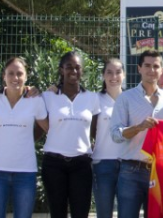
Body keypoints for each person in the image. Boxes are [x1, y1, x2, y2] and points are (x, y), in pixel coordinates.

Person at [111, 49, 163, 218]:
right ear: (139, 68)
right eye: (147, 66)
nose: (152, 70)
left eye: (156, 66)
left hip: (159, 172)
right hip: (130, 172)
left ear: (162, 70)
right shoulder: (125, 98)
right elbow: (116, 135)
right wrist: (139, 127)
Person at [0, 57, 48, 218]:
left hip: (25, 172)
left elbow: (48, 128)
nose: (15, 78)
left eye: (20, 73)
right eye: (10, 73)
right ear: (4, 76)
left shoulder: (36, 100)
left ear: (26, 77)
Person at [41, 51, 101, 218]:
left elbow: (95, 131)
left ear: (82, 71)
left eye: (77, 68)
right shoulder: (48, 96)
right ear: (61, 70)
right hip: (54, 164)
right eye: (69, 67)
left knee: (80, 213)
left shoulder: (92, 98)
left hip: (81, 164)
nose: (73, 72)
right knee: (57, 213)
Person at [92, 59, 126, 218]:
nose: (114, 76)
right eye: (109, 72)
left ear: (124, 75)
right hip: (102, 164)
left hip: (127, 165)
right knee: (104, 214)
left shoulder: (131, 99)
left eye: (118, 72)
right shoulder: (94, 99)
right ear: (103, 75)